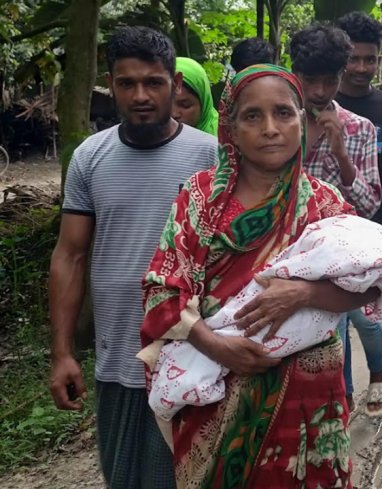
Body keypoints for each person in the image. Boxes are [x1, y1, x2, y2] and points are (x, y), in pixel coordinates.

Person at [140, 64, 374, 488]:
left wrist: (304, 294)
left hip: (308, 395)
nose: (270, 128)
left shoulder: (324, 204)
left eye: (283, 113)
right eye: (252, 116)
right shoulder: (200, 199)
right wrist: (218, 348)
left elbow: (368, 285)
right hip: (216, 385)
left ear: (302, 121)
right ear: (230, 127)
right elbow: (162, 288)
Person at [48, 26, 218, 488]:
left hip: (194, 356)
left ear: (175, 86)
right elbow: (70, 254)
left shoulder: (212, 157)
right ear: (112, 84)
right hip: (118, 357)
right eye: (127, 84)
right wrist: (62, 353)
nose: (140, 95)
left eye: (153, 82)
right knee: (124, 478)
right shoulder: (90, 158)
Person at [290, 23, 382, 414]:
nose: (320, 92)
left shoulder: (360, 129)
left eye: (330, 81)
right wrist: (301, 144)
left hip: (332, 263)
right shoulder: (274, 125)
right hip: (280, 260)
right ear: (294, 73)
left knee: (334, 343)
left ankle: (340, 412)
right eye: (311, 80)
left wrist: (342, 154)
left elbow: (369, 203)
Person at [335, 11, 382, 417]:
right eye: (354, 59)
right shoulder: (316, 101)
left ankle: (378, 374)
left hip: (370, 226)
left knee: (362, 316)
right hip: (324, 229)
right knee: (334, 320)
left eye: (370, 59)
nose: (362, 68)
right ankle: (342, 396)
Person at [173, 57, 219, 135]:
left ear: (203, 103)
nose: (174, 114)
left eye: (185, 105)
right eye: (165, 105)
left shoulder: (223, 140)